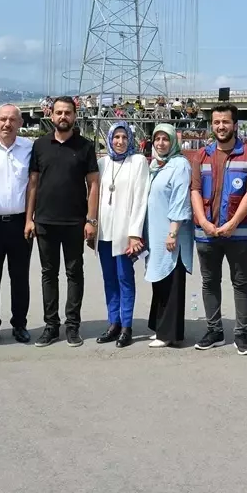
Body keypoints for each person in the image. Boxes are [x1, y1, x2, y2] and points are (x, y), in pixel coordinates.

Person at [26, 96, 99, 348]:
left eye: (67, 112)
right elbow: (33, 184)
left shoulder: (85, 146)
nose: (63, 117)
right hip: (45, 221)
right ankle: (50, 326)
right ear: (51, 115)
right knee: (48, 274)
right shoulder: (40, 146)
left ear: (75, 116)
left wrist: (91, 220)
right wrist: (29, 219)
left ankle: (72, 326)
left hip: (75, 222)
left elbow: (94, 185)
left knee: (74, 273)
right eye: (58, 112)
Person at [190, 103, 247, 355]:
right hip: (206, 233)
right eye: (216, 122)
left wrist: (232, 224)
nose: (221, 126)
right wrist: (205, 222)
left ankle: (241, 334)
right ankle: (215, 330)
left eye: (225, 122)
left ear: (235, 124)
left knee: (241, 282)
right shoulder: (202, 155)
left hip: (239, 234)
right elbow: (195, 190)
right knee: (210, 282)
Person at [0, 104, 34, 345]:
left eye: (12, 120)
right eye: (3, 119)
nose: (7, 124)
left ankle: (19, 324)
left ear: (20, 123)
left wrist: (32, 219)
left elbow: (35, 185)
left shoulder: (29, 149)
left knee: (20, 278)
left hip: (21, 223)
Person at [95, 122, 150, 347]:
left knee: (124, 278)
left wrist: (135, 233)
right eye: (116, 137)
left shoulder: (137, 162)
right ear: (109, 139)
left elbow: (140, 199)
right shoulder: (102, 163)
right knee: (109, 279)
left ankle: (126, 326)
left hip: (125, 232)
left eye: (124, 137)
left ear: (130, 139)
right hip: (104, 231)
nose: (119, 141)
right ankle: (113, 322)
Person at [145, 124, 194, 348]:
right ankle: (159, 328)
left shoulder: (179, 164)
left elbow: (180, 199)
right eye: (157, 139)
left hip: (171, 235)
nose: (161, 143)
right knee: (161, 282)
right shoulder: (157, 165)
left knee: (172, 284)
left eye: (166, 139)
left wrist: (173, 232)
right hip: (156, 235)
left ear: (173, 141)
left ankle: (169, 334)